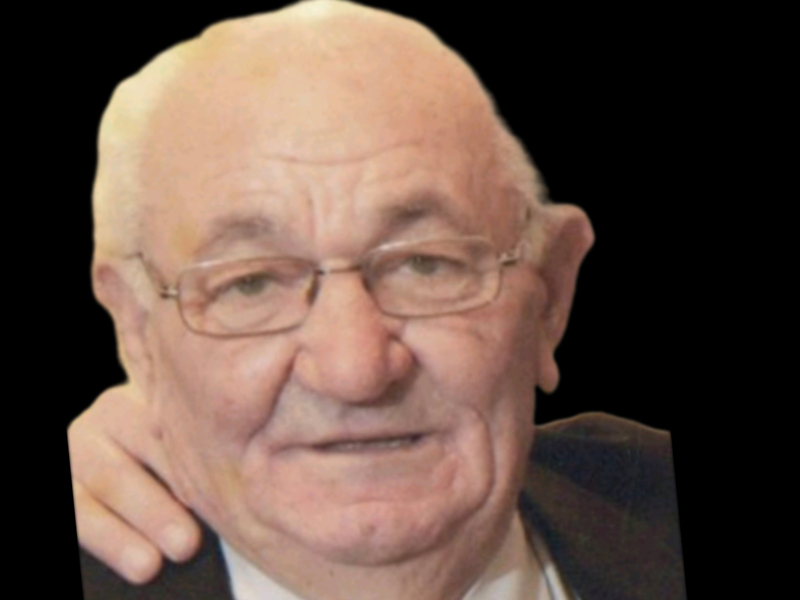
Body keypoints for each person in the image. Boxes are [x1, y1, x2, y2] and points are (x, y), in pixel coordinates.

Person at [67, 1, 685, 598]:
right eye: (251, 283)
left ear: (549, 295)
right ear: (137, 333)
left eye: (425, 264)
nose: (355, 371)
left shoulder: (654, 496)